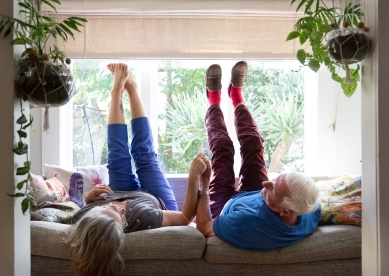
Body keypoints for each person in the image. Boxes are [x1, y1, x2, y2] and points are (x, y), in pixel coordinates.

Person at [62, 63, 206, 276]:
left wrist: (90, 200)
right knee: (144, 154)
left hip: (117, 191)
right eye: (121, 217)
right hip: (153, 198)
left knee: (117, 155)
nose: (121, 209)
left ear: (92, 215)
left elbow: (67, 212)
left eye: (111, 209)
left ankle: (116, 93)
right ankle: (132, 89)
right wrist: (194, 177)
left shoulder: (81, 218)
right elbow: (186, 218)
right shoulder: (141, 218)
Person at [194, 61, 321, 251]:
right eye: (275, 180)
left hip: (226, 210)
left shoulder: (247, 224)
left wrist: (204, 185)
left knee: (223, 149)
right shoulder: (311, 208)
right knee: (253, 144)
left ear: (286, 211)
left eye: (272, 189)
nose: (266, 183)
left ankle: (213, 100)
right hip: (257, 199)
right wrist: (273, 194)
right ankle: (236, 96)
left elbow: (203, 228)